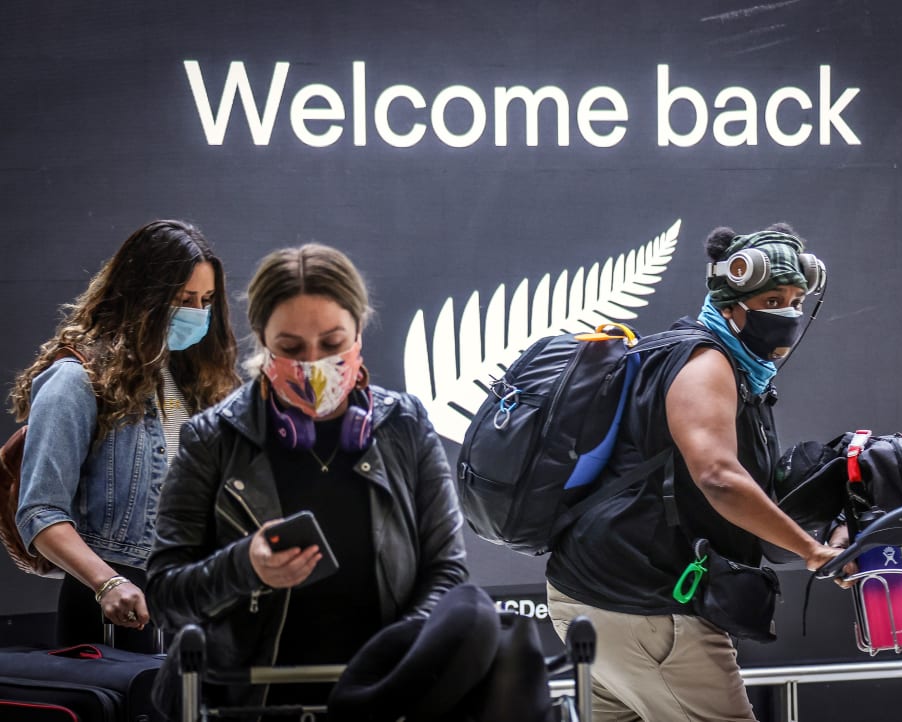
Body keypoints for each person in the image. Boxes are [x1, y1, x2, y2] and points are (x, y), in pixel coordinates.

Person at [145, 243, 468, 716]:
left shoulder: (405, 424)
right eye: (291, 348)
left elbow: (449, 571)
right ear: (262, 341)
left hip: (381, 700)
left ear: (359, 332)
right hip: (248, 704)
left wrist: (400, 652)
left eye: (333, 344)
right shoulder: (211, 439)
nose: (313, 363)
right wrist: (244, 567)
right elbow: (164, 596)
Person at [545, 223, 851, 722]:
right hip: (647, 608)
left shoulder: (694, 357)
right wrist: (812, 552)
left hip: (591, 595)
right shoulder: (706, 363)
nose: (789, 313)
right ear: (731, 305)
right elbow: (717, 477)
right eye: (772, 300)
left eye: (796, 299)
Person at [11, 219, 239, 651]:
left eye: (206, 300)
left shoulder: (194, 379)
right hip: (118, 603)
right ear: (143, 296)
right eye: (183, 299)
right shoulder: (75, 381)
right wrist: (107, 583)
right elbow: (40, 513)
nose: (197, 312)